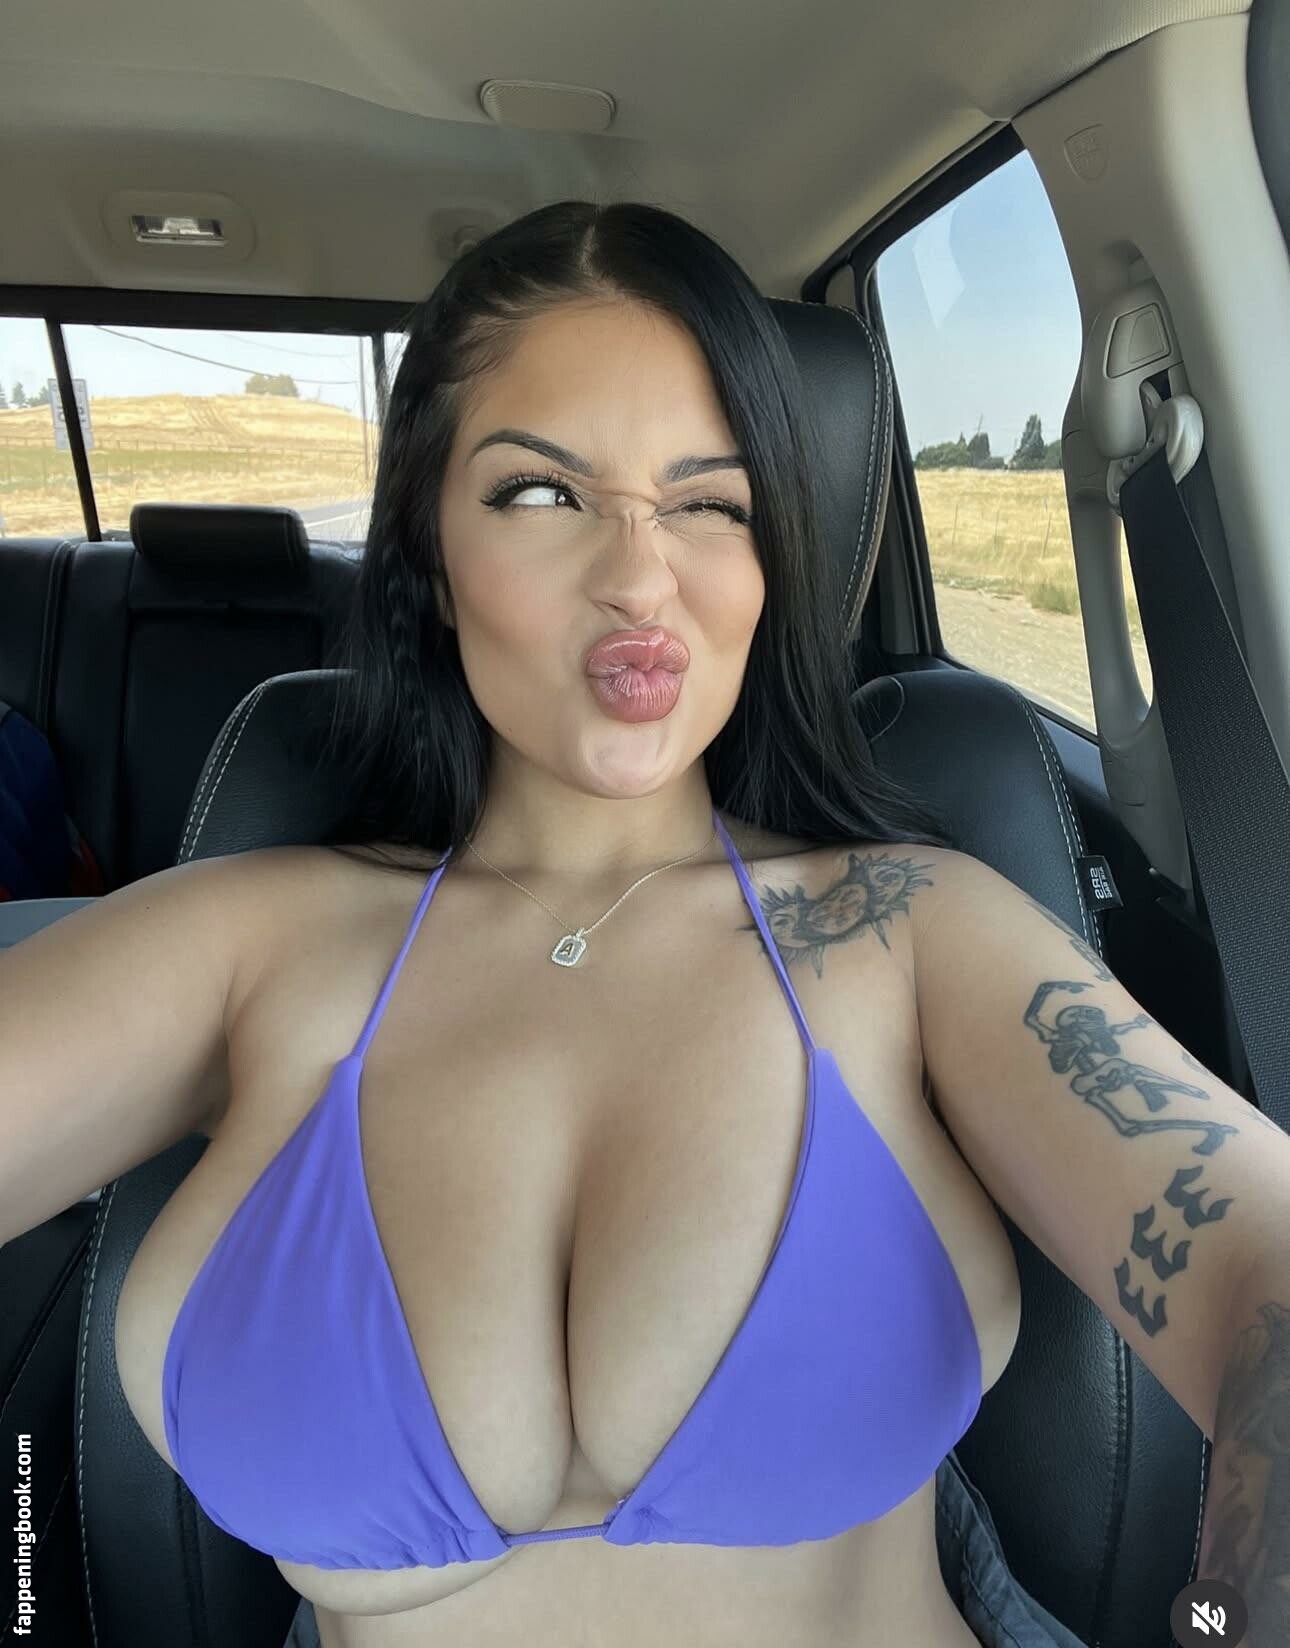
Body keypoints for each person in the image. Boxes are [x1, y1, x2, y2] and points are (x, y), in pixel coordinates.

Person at [122, 199, 1090, 1647]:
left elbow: (1244, 1239)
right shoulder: (247, 941)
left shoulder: (906, 923)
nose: (640, 575)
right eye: (539, 493)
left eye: (711, 504)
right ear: (428, 553)